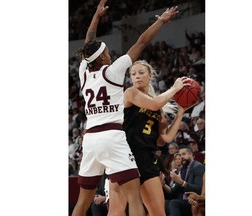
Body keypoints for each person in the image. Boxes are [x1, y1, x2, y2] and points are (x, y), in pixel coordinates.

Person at [71, 1, 179, 215]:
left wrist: (96, 17)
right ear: (102, 57)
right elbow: (141, 42)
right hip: (112, 136)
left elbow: (88, 42)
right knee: (134, 198)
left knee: (82, 203)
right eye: (107, 52)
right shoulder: (112, 71)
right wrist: (161, 21)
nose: (110, 54)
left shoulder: (84, 72)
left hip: (90, 140)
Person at [108, 59, 196, 216]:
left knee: (158, 212)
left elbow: (165, 139)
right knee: (117, 210)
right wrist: (174, 89)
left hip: (146, 158)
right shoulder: (130, 93)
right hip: (125, 157)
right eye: (133, 74)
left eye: (141, 73)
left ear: (150, 75)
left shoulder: (158, 109)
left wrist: (181, 112)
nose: (137, 76)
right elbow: (155, 103)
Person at [161, 145, 205, 216]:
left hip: (193, 201)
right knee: (164, 203)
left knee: (173, 203)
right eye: (180, 154)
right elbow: (174, 191)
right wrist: (163, 184)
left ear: (190, 154)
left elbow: (199, 189)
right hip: (182, 200)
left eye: (184, 154)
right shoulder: (183, 169)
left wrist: (182, 182)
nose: (181, 157)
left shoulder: (199, 167)